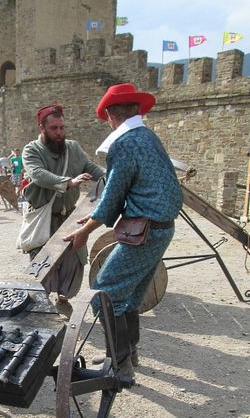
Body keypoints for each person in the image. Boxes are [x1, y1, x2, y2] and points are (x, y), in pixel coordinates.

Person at [64, 83, 183, 379]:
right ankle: (129, 355)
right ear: (135, 110)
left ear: (108, 115)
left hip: (144, 231)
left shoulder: (125, 142)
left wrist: (86, 230)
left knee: (102, 293)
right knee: (129, 295)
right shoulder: (148, 136)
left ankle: (119, 365)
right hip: (160, 229)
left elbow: (114, 194)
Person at [22, 103, 106, 307]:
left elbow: (91, 168)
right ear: (42, 128)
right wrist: (68, 182)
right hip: (45, 217)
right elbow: (38, 174)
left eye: (61, 128)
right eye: (54, 129)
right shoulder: (32, 150)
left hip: (70, 217)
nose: (59, 133)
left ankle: (63, 298)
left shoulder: (73, 148)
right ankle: (43, 303)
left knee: (73, 259)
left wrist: (113, 178)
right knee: (43, 262)